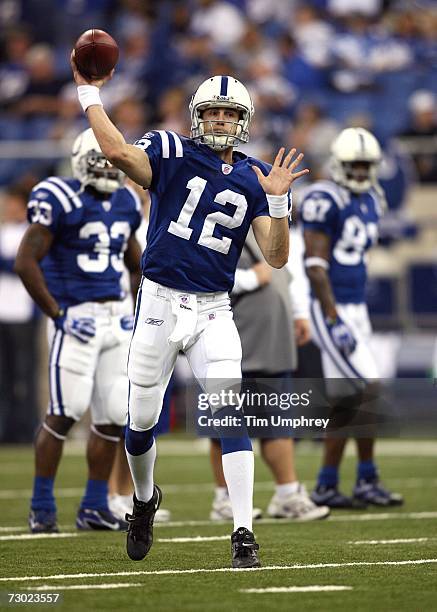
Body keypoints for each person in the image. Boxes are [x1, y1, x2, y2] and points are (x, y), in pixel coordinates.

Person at [71, 57, 308, 568]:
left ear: (242, 119)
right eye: (212, 111)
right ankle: (143, 500)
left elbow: (277, 256)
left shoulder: (257, 175)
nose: (220, 120)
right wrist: (89, 93)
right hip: (158, 299)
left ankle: (244, 533)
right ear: (197, 115)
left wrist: (280, 204)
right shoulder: (170, 148)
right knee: (141, 423)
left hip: (213, 310)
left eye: (229, 113)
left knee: (230, 413)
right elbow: (115, 151)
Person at [15, 128, 143, 533]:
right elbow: (25, 262)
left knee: (112, 416)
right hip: (76, 318)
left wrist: (135, 305)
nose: (108, 167)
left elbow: (135, 261)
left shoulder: (126, 201)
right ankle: (41, 505)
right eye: (100, 159)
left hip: (115, 318)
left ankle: (93, 505)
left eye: (112, 160)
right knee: (65, 413)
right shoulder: (58, 197)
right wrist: (57, 313)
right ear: (81, 160)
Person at [300, 127, 403, 508]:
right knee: (367, 386)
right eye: (353, 165)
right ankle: (366, 477)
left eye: (366, 165)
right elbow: (314, 264)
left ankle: (328, 484)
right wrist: (332, 316)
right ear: (338, 164)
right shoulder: (324, 198)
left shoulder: (372, 199)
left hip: (355, 306)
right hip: (332, 306)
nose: (360, 172)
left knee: (346, 398)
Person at [209, 227, 330, 521]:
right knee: (224, 415)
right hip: (236, 330)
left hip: (273, 336)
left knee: (277, 416)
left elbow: (289, 273)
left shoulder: (275, 221)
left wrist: (298, 312)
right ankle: (224, 497)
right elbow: (201, 271)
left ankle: (287, 493)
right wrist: (251, 278)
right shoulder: (222, 214)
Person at [0, 186, 39, 443]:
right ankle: (5, 430)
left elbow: (27, 265)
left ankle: (26, 429)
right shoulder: (3, 232)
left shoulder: (31, 231)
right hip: (3, 313)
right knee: (4, 377)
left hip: (23, 314)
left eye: (14, 204)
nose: (10, 209)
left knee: (25, 375)